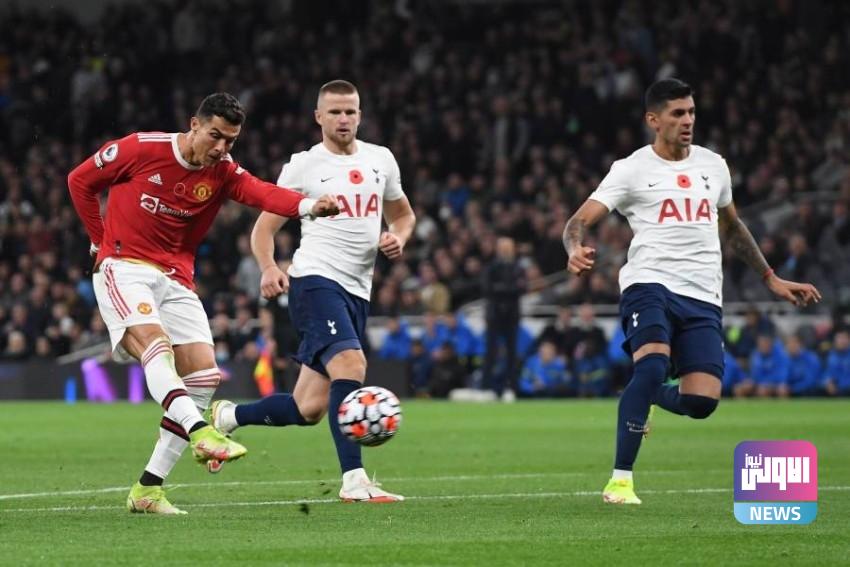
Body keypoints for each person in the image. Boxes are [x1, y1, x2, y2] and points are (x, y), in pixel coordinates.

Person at [67, 92, 340, 514]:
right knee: (156, 346)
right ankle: (200, 431)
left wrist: (308, 206)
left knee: (203, 375)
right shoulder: (141, 148)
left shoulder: (223, 171)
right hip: (124, 266)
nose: (221, 147)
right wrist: (97, 240)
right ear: (194, 124)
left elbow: (262, 193)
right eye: (215, 136)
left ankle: (148, 490)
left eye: (230, 140)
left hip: (176, 277)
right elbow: (80, 181)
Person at [562, 78, 821, 505]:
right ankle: (620, 481)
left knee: (701, 402)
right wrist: (574, 248)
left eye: (691, 112)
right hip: (649, 283)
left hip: (702, 294)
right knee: (652, 366)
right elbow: (578, 221)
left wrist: (770, 278)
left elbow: (732, 227)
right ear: (653, 120)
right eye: (678, 113)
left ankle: (645, 393)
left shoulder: (713, 165)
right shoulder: (630, 169)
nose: (688, 121)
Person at [210, 80, 415, 502]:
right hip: (315, 281)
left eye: (350, 112)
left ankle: (229, 416)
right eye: (335, 112)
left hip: (357, 292)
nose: (343, 119)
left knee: (308, 408)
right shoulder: (304, 166)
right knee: (351, 363)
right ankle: (354, 480)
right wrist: (269, 267)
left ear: (360, 115)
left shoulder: (381, 159)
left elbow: (403, 215)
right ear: (318, 117)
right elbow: (263, 229)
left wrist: (398, 236)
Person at [481, 236, 526, 400]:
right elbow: (487, 288)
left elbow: (522, 288)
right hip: (495, 315)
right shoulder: (492, 267)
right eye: (503, 248)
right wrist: (509, 289)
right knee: (491, 352)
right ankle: (487, 387)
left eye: (508, 248)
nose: (506, 251)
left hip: (511, 315)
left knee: (511, 353)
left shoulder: (518, 268)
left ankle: (511, 387)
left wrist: (501, 289)